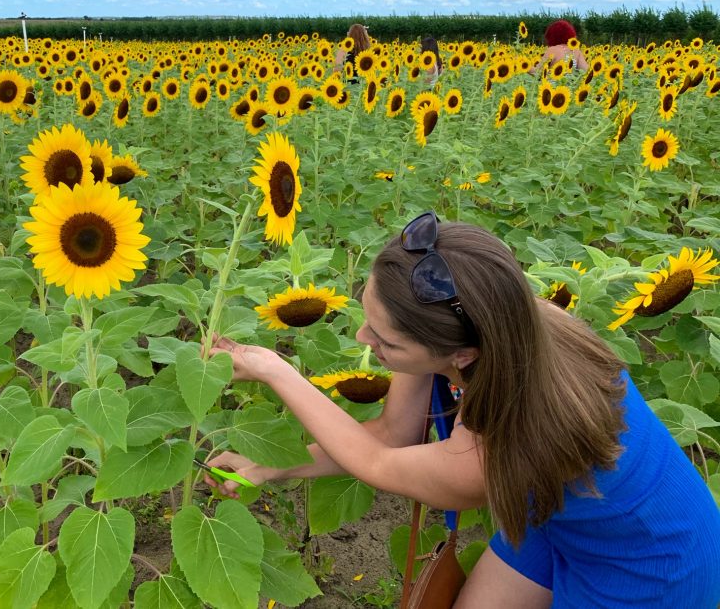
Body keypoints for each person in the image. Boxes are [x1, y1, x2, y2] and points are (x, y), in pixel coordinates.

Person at [206, 211, 720, 608]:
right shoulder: (489, 318)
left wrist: (278, 372)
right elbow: (390, 436)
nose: (363, 339)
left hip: (653, 568)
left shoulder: (499, 440)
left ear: (460, 355)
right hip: (561, 518)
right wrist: (274, 463)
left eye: (384, 340)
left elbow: (381, 466)